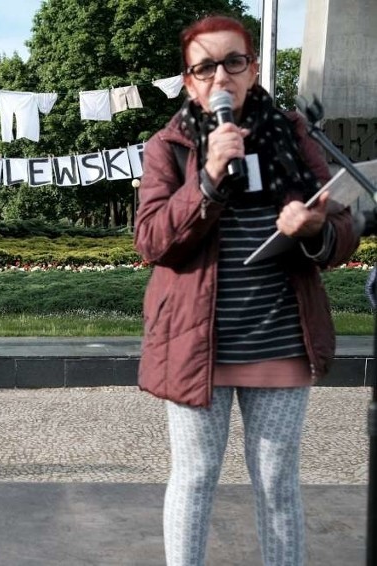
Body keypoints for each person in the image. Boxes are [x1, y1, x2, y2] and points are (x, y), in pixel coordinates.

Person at [133, 15, 360, 566]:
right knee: (195, 476)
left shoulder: (294, 134)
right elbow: (152, 241)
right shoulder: (169, 147)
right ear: (189, 82)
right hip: (195, 346)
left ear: (253, 69)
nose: (220, 77)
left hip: (281, 338)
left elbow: (342, 226)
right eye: (205, 67)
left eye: (233, 62)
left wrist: (316, 230)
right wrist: (207, 178)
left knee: (278, 481)